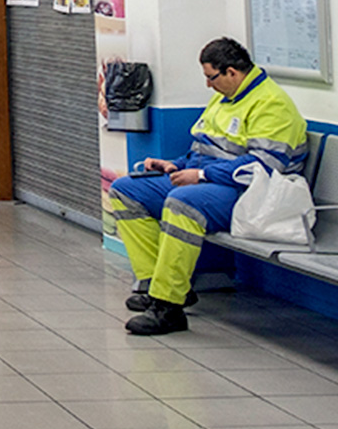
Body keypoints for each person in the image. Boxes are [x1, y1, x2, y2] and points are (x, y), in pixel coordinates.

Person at [105, 37, 308, 335]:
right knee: (126, 190)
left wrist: (201, 175)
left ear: (231, 72)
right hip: (211, 181)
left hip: (252, 193)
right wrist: (176, 165)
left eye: (211, 77)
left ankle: (168, 306)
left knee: (182, 202)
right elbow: (203, 149)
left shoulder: (272, 105)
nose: (208, 85)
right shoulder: (225, 97)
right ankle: (154, 283)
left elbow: (264, 166)